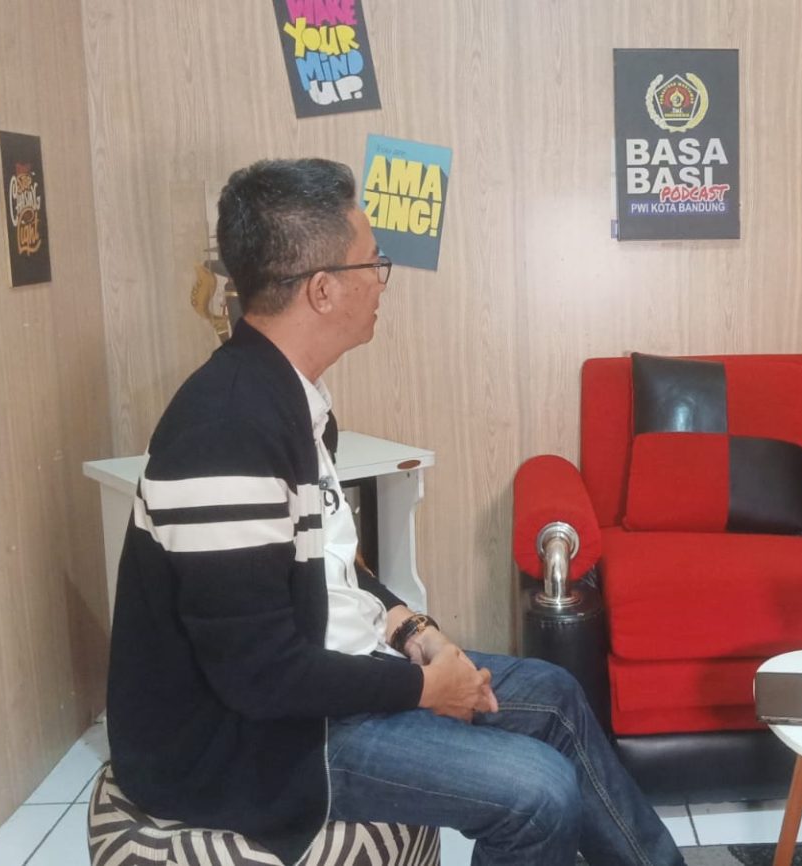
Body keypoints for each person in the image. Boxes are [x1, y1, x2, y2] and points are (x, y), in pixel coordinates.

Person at [106, 158, 685, 866]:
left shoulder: (289, 400)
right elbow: (257, 676)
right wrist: (423, 688)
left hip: (323, 683)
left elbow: (333, 571)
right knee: (537, 793)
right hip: (247, 743)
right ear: (322, 290)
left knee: (554, 693)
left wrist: (413, 631)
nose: (382, 281)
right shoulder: (223, 431)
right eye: (372, 263)